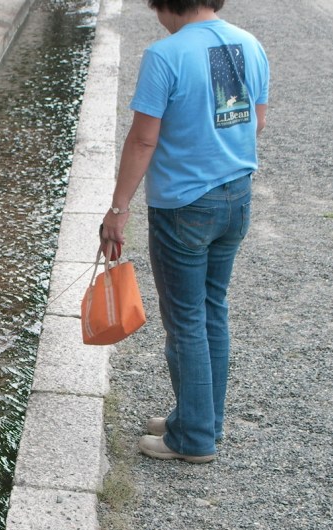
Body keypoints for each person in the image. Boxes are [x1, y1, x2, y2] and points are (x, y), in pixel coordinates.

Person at [100, 0, 270, 463]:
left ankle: (192, 437)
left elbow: (143, 139)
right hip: (236, 197)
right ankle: (202, 420)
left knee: (186, 321)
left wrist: (118, 209)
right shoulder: (249, 44)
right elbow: (257, 121)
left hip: (185, 206)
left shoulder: (166, 55)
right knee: (212, 309)